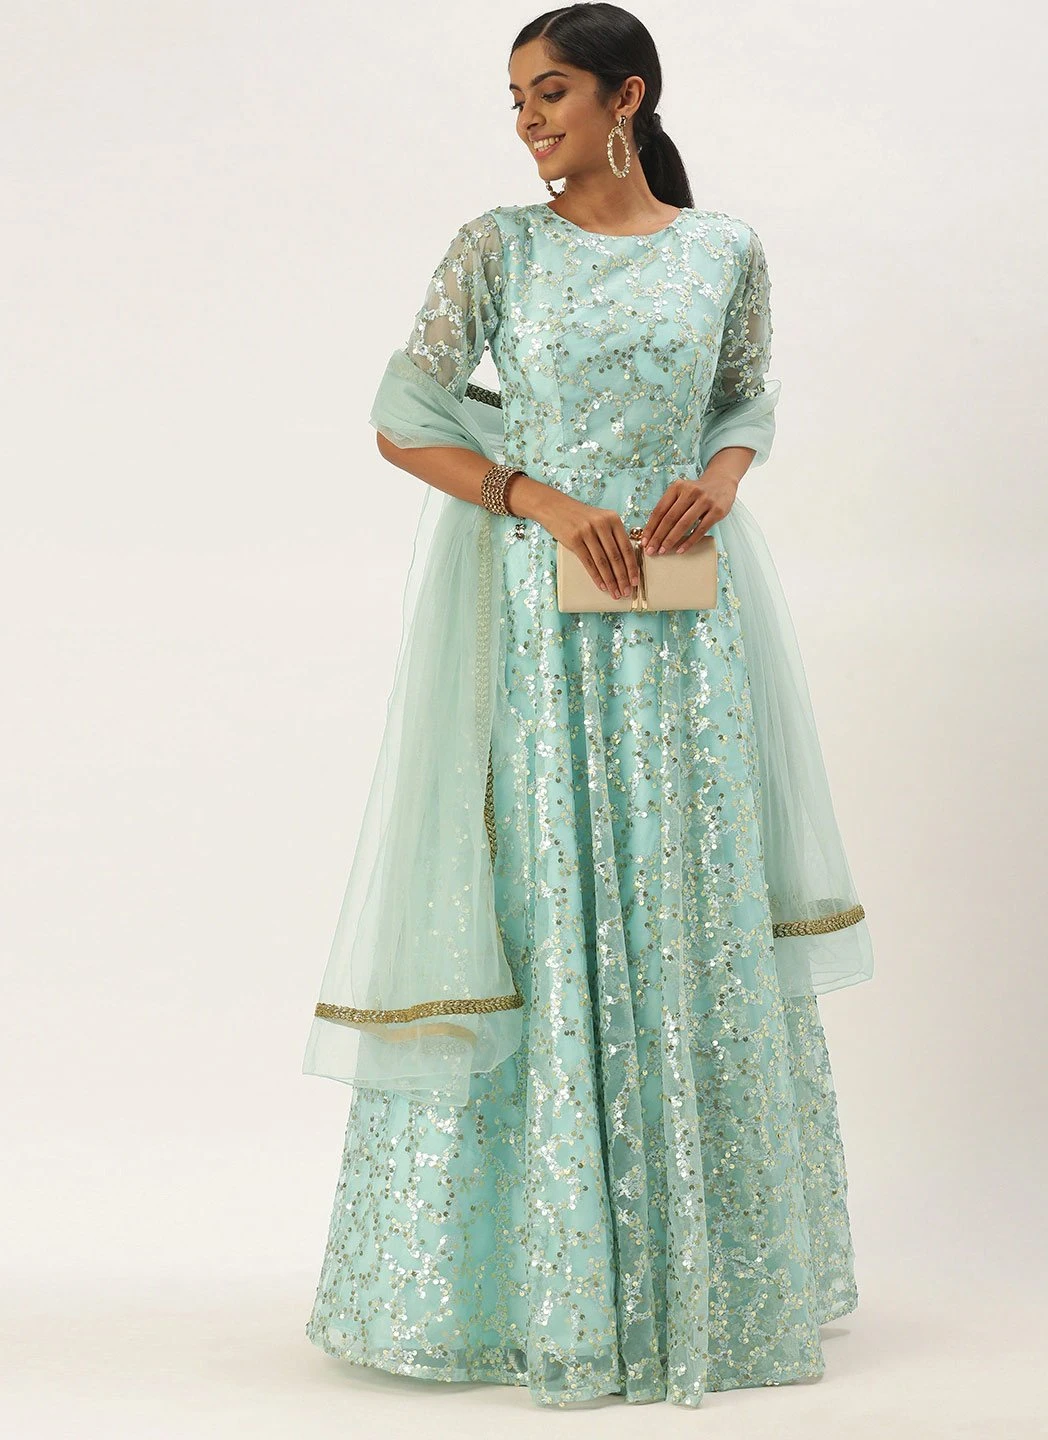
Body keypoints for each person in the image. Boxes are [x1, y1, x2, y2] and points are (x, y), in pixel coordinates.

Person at [302, 1, 874, 1410]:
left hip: (686, 617)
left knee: (689, 893)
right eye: (515, 99)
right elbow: (405, 415)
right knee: (551, 895)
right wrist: (543, 500)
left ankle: (711, 1276)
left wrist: (721, 479)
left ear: (629, 97)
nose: (527, 121)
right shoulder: (498, 248)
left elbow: (743, 400)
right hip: (543, 619)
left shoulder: (724, 249)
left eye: (550, 93)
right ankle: (546, 1284)